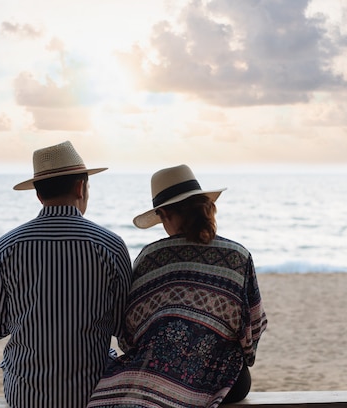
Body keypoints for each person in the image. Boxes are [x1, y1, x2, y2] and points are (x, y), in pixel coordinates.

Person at [88, 164, 267, 408]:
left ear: (165, 214)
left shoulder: (149, 256)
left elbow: (129, 334)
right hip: (226, 381)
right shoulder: (238, 255)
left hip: (155, 373)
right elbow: (252, 330)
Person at [0, 141, 133, 408]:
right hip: (92, 395)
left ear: (39, 195)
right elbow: (124, 330)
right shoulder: (110, 245)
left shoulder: (7, 246)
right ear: (80, 187)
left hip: (25, 396)